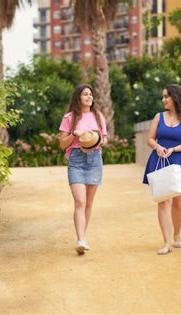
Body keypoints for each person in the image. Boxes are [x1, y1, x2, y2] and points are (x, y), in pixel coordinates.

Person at [143, 84, 181, 255]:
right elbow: (150, 139)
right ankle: (166, 242)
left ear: (175, 97)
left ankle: (177, 234)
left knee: (178, 203)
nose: (163, 100)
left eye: (166, 96)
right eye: (163, 96)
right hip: (160, 160)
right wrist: (158, 147)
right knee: (163, 200)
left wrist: (174, 149)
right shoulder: (158, 117)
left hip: (179, 160)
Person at [59, 84, 108, 255]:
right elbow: (62, 143)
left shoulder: (98, 116)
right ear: (78, 98)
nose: (89, 97)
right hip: (76, 159)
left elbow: (105, 141)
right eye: (85, 94)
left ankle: (83, 237)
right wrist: (75, 134)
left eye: (90, 94)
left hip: (94, 158)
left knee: (88, 203)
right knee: (80, 201)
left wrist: (93, 138)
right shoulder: (69, 117)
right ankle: (80, 239)